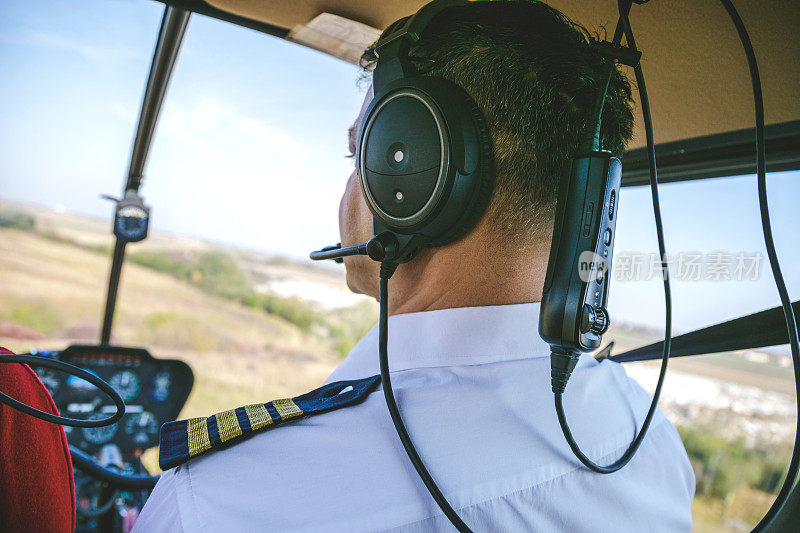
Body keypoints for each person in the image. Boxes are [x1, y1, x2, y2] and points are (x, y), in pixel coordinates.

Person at [134, 2, 695, 530]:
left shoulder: (219, 504)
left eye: (363, 157)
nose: (354, 185)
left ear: (415, 184)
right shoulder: (648, 438)